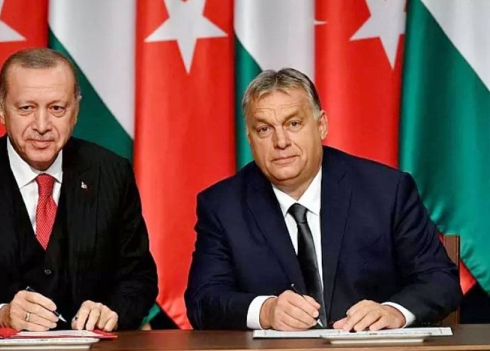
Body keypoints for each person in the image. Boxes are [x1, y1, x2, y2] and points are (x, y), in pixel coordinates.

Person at [185, 68, 461, 331]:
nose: (281, 141)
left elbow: (440, 280)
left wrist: (394, 311)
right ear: (250, 139)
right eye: (264, 129)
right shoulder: (222, 206)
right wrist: (266, 311)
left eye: (293, 123)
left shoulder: (387, 191)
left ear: (321, 125)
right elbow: (203, 301)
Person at [0, 48, 158, 332]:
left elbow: (139, 278)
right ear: (1, 110)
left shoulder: (112, 174)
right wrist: (0, 316)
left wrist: (111, 311)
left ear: (75, 111)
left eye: (56, 108)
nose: (42, 126)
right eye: (26, 108)